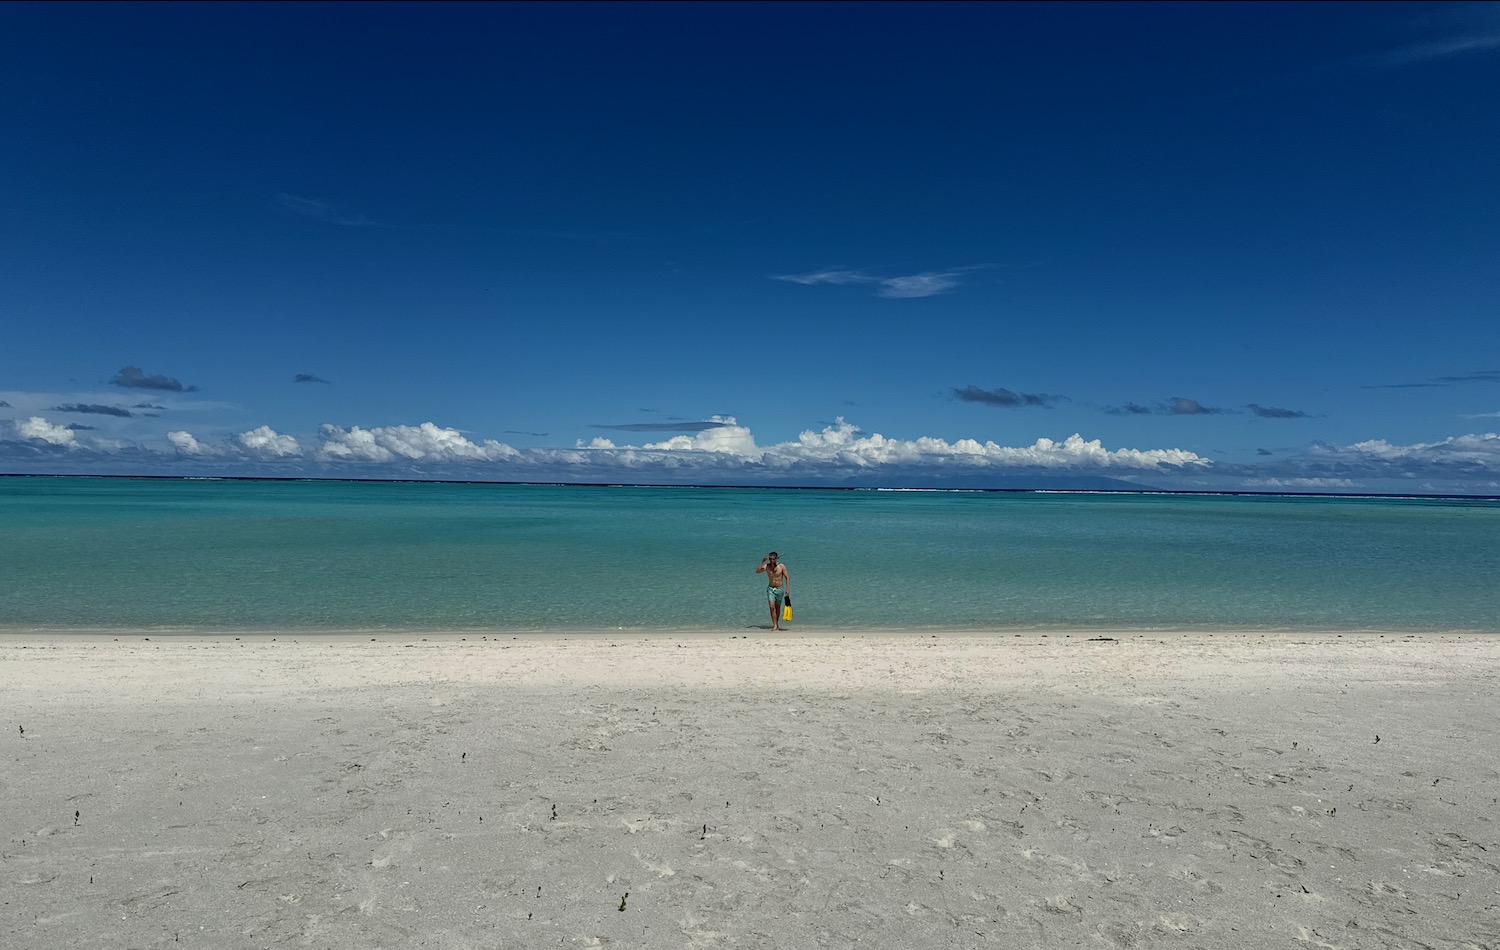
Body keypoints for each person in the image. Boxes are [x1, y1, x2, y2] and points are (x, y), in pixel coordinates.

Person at [755, 551, 790, 631]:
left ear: (776, 559)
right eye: (770, 559)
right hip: (770, 589)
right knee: (771, 607)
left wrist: (787, 589)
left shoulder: (781, 566)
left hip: (779, 589)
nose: (771, 561)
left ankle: (776, 624)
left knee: (777, 608)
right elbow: (757, 571)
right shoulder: (767, 566)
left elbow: (787, 577)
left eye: (773, 559)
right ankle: (774, 625)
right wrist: (762, 561)